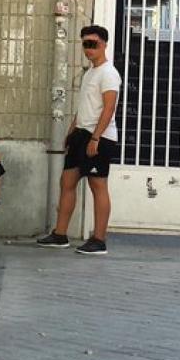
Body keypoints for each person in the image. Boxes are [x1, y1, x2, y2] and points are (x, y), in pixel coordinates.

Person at [36, 24, 120, 256]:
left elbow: (109, 107)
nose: (88, 49)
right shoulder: (89, 73)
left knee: (97, 185)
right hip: (81, 134)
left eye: (92, 44)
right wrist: (72, 132)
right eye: (85, 44)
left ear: (104, 44)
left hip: (99, 137)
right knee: (67, 182)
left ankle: (99, 239)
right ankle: (60, 234)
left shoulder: (109, 73)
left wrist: (96, 138)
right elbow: (85, 106)